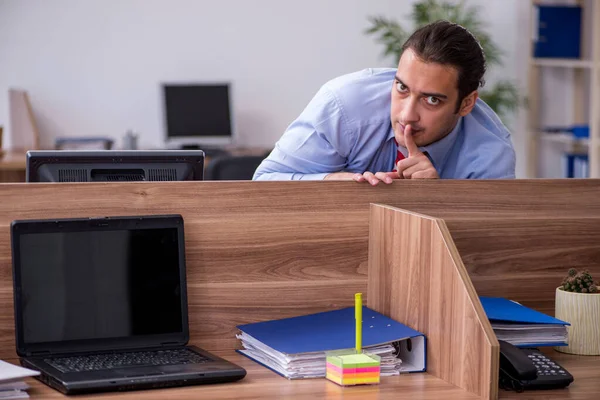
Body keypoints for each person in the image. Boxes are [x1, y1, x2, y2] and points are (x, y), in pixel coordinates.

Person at [253, 20, 516, 185]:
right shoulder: (345, 105)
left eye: (432, 100)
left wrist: (438, 200)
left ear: (466, 104)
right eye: (402, 87)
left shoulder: (490, 155)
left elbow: (487, 252)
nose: (406, 115)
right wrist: (336, 183)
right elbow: (264, 182)